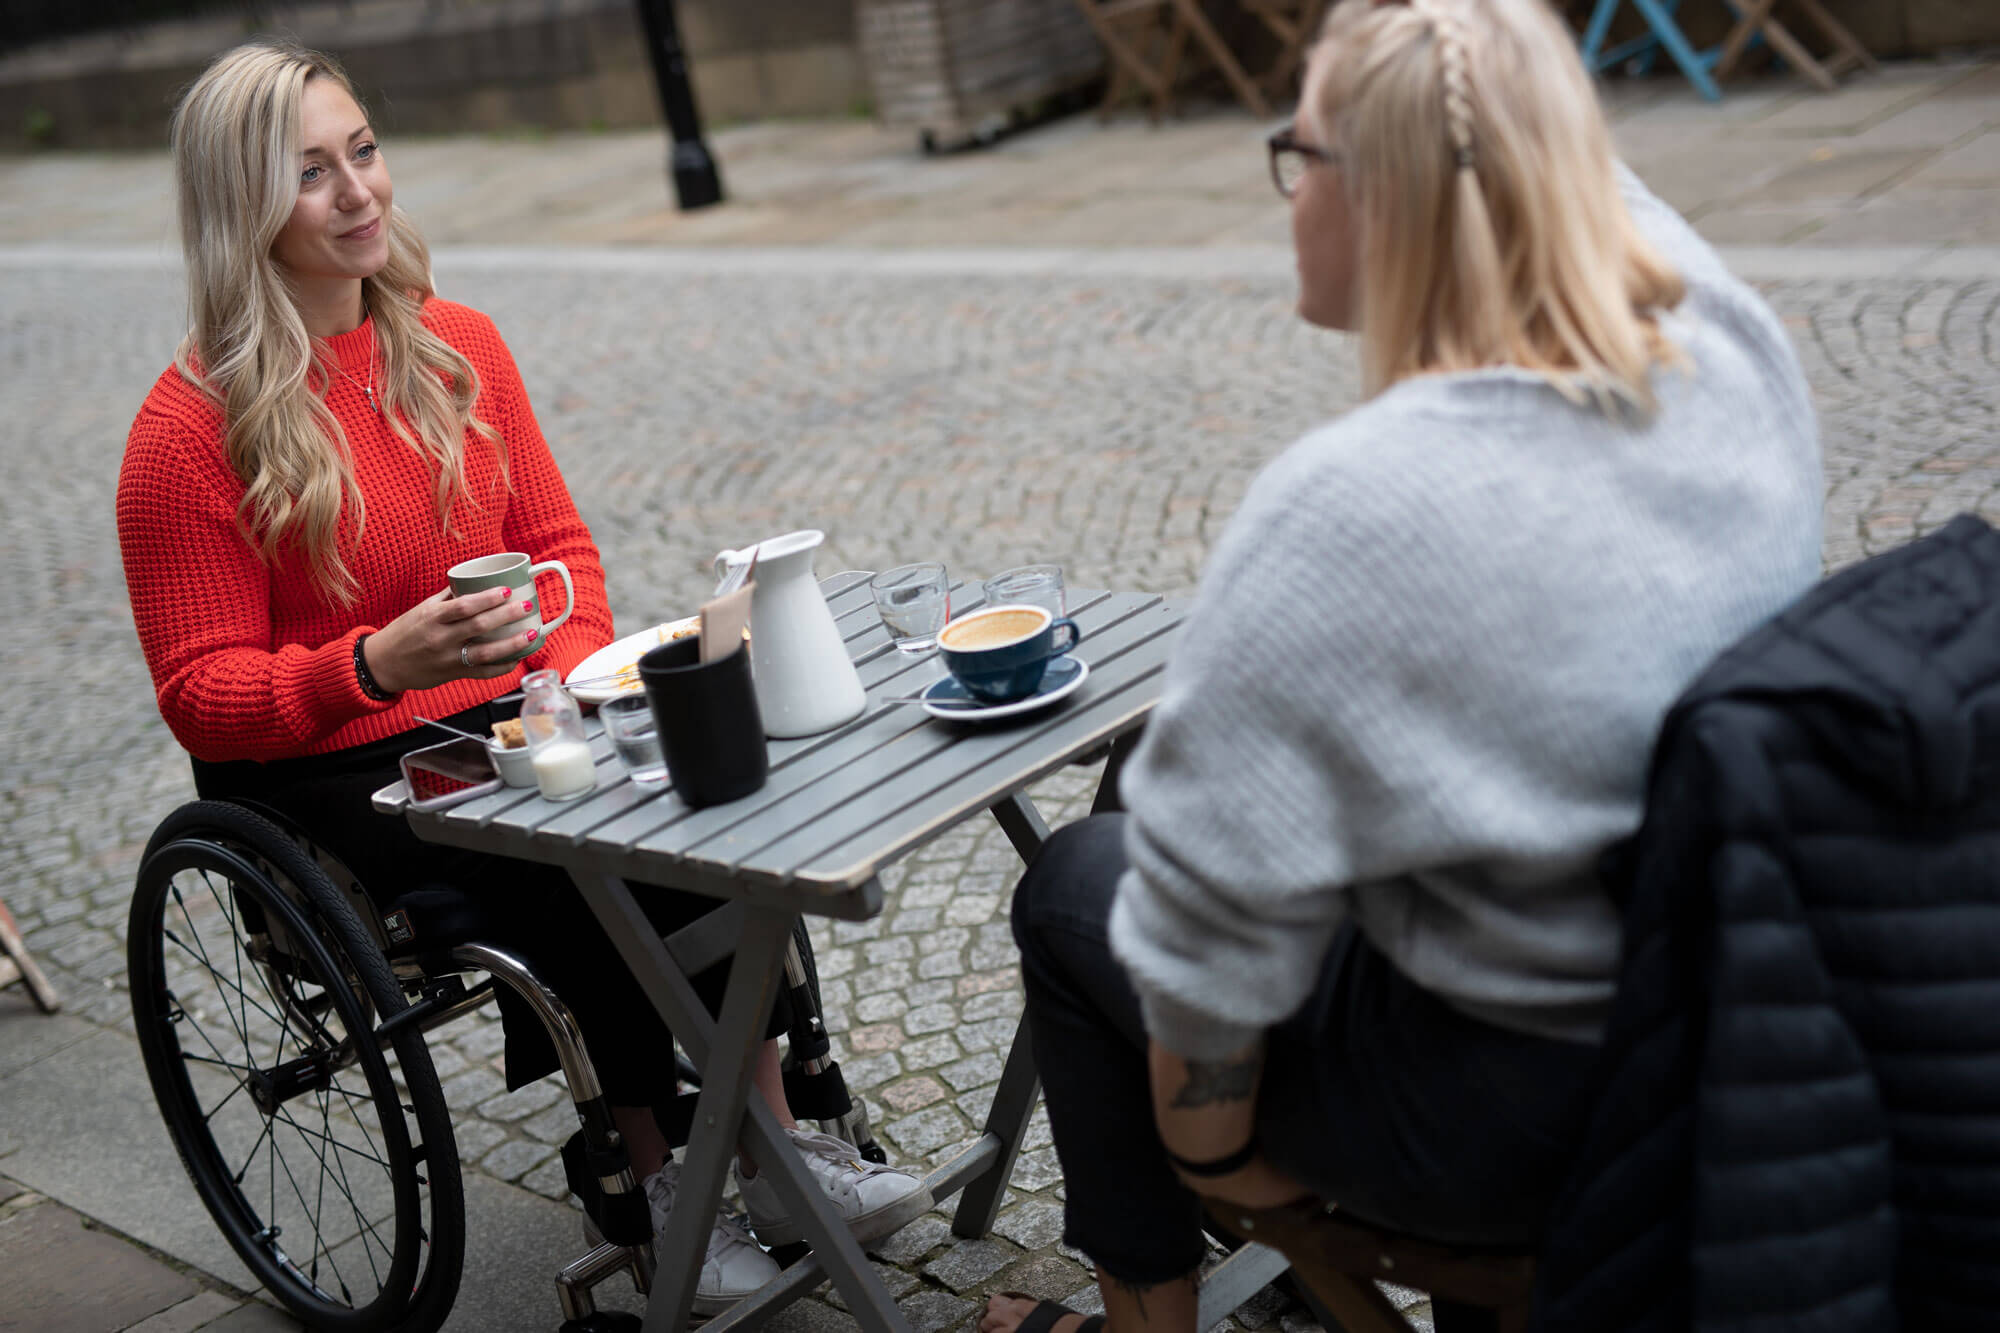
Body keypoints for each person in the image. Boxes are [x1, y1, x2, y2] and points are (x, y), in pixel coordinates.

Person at [984, 2, 1825, 1331]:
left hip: (1523, 1111)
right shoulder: (1719, 331)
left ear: (1385, 193)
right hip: (1720, 1019)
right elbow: (1535, 132)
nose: (1285, 190)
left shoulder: (1355, 505)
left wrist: (1221, 1157)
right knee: (1150, 768)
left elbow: (1199, 950)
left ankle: (1162, 1309)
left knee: (1073, 883)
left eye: (1295, 152)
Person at [116, 41, 926, 1315]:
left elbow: (560, 550)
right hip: (334, 762)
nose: (358, 192)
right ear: (241, 209)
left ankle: (776, 1148)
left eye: (363, 151)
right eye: (310, 173)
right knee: (565, 856)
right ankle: (653, 1181)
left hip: (510, 708)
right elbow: (198, 690)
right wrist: (371, 663)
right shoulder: (185, 434)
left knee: (691, 790)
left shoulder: (457, 347)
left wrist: (561, 677)